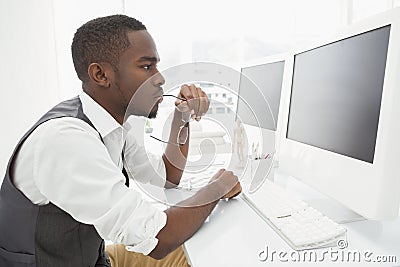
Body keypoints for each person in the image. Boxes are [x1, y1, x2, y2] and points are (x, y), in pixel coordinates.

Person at [0, 14, 242, 267]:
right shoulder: (66, 140)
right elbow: (159, 239)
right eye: (146, 67)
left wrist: (181, 118)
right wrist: (216, 189)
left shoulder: (114, 128)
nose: (160, 78)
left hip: (95, 258)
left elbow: (167, 178)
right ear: (101, 75)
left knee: (201, 250)